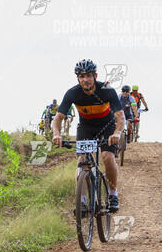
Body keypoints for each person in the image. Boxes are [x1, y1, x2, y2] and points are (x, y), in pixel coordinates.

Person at [52, 58, 125, 213]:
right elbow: (58, 118)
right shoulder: (72, 93)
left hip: (107, 126)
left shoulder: (107, 89)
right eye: (82, 76)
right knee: (82, 161)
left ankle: (113, 194)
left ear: (95, 76)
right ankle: (83, 201)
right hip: (86, 127)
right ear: (78, 78)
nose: (85, 79)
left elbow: (120, 116)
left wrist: (117, 133)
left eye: (89, 76)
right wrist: (57, 134)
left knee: (107, 157)